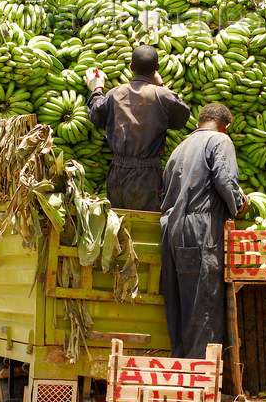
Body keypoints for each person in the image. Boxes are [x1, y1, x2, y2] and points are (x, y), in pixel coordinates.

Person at [160, 103, 248, 360]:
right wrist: (240, 204)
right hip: (200, 230)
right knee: (203, 308)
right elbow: (224, 178)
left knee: (180, 308)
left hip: (172, 230)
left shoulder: (180, 147)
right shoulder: (221, 141)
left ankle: (183, 374)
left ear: (199, 123)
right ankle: (202, 379)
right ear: (226, 126)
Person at [85, 45, 190, 212]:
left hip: (117, 171)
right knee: (145, 223)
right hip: (147, 174)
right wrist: (161, 85)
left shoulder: (115, 93)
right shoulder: (162, 95)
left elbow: (97, 114)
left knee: (118, 222)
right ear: (156, 69)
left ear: (131, 68)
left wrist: (97, 89)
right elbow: (181, 117)